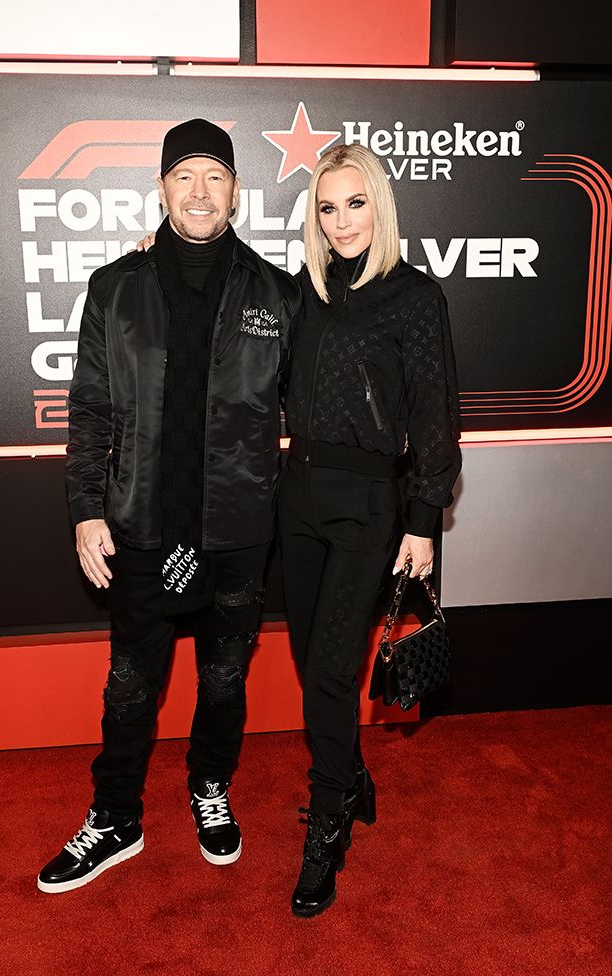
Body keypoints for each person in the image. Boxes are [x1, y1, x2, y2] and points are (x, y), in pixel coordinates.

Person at [37, 119, 300, 893]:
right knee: (129, 685)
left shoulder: (277, 293)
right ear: (160, 189)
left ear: (235, 193)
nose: (197, 191)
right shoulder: (115, 287)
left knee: (224, 680)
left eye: (213, 176)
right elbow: (88, 408)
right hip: (141, 526)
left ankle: (208, 786)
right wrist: (86, 507)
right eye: (183, 176)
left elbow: (312, 410)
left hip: (238, 529)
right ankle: (115, 816)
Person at [278, 143, 461, 917]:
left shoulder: (412, 296)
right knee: (303, 656)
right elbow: (223, 283)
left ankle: (328, 822)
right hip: (296, 500)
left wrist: (422, 521)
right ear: (313, 217)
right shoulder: (301, 292)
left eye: (355, 203)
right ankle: (349, 774)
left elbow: (434, 416)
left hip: (367, 506)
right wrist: (157, 247)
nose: (341, 220)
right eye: (327, 206)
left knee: (329, 670)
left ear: (377, 207)